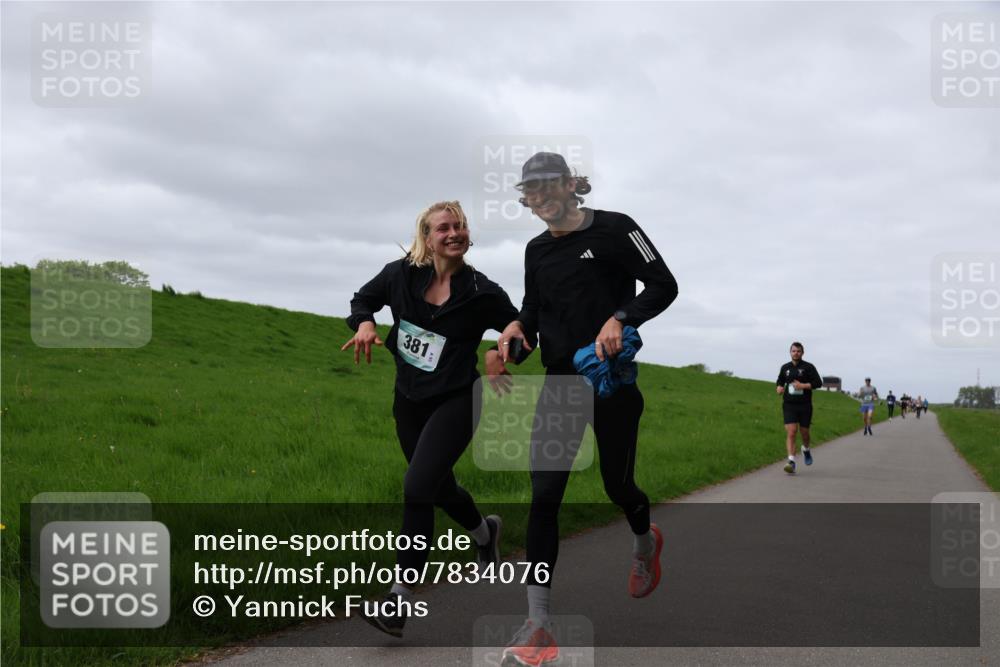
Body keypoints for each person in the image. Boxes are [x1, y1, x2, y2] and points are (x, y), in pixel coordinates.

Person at [488, 152, 678, 667]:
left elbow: (664, 285)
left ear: (572, 184)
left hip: (611, 382)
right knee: (545, 494)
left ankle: (645, 544)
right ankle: (538, 625)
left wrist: (620, 316)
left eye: (549, 185)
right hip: (560, 384)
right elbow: (534, 309)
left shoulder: (617, 229)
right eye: (530, 190)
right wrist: (512, 338)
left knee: (619, 486)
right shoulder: (535, 250)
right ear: (525, 199)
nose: (541, 196)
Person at [343, 200, 523, 638]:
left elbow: (517, 332)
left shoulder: (482, 290)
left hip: (459, 398)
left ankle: (398, 599)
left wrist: (499, 352)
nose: (454, 233)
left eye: (459, 226)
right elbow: (362, 299)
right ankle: (485, 533)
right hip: (409, 398)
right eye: (443, 227)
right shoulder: (400, 273)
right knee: (438, 486)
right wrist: (365, 324)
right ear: (426, 236)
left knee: (417, 486)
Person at [776, 342, 823, 473]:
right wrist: (779, 387)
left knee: (804, 433)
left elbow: (818, 383)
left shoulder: (808, 367)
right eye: (793, 351)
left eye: (798, 351)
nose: (796, 353)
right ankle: (791, 461)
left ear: (802, 353)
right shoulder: (785, 367)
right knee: (791, 432)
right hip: (789, 404)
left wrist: (803, 386)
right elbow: (780, 380)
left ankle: (806, 449)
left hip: (805, 405)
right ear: (790, 352)